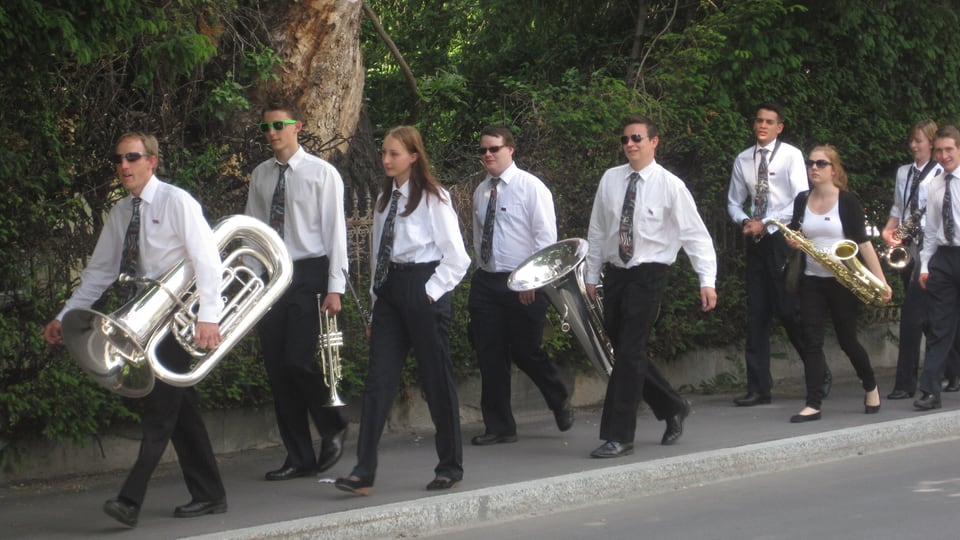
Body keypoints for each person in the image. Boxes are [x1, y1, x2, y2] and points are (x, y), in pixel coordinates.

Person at [43, 132, 227, 527]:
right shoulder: (122, 211)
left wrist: (209, 315)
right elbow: (99, 274)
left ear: (152, 161)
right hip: (140, 318)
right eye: (118, 159)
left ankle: (130, 498)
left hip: (177, 320)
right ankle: (210, 494)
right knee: (180, 410)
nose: (123, 165)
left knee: (162, 412)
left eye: (132, 157)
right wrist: (65, 314)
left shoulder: (177, 201)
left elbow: (208, 259)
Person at [335, 125, 470, 494]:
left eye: (393, 153)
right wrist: (378, 307)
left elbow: (457, 258)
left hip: (423, 285)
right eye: (383, 153)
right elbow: (380, 258)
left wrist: (429, 293)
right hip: (391, 291)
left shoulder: (433, 198)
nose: (385, 160)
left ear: (414, 156)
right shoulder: (383, 202)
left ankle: (450, 466)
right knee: (378, 381)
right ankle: (363, 472)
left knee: (436, 381)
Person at [584, 115, 717, 458]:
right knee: (627, 350)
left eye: (637, 138)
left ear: (654, 142)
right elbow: (598, 230)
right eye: (625, 139)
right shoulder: (610, 180)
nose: (630, 144)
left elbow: (696, 236)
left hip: (650, 273)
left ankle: (619, 435)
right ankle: (673, 406)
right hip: (616, 273)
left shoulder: (670, 185)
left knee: (628, 353)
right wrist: (591, 274)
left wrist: (707, 281)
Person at [245, 100, 349, 481]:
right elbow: (254, 233)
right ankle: (298, 457)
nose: (272, 134)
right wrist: (254, 281)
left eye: (279, 125)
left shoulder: (322, 174)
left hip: (309, 272)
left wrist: (335, 286)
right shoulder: (260, 175)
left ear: (297, 127)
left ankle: (333, 422)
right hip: (272, 275)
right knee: (277, 370)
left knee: (298, 361)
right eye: (266, 128)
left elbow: (335, 233)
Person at [468, 125, 573, 446]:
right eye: (483, 150)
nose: (488, 155)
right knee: (490, 353)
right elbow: (477, 234)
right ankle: (500, 426)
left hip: (523, 281)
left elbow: (545, 240)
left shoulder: (531, 188)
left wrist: (532, 280)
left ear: (510, 150)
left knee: (526, 351)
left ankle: (558, 397)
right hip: (487, 281)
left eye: (494, 149)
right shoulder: (481, 191)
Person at [726, 103, 830, 406]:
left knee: (788, 310)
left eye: (769, 122)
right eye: (759, 120)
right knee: (756, 313)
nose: (763, 126)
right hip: (756, 241)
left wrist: (768, 222)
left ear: (779, 127)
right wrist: (744, 220)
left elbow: (800, 199)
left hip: (781, 238)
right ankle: (759, 387)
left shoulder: (791, 155)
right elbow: (733, 201)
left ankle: (819, 372)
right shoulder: (743, 159)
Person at [785, 145, 891, 423]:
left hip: (843, 280)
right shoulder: (802, 199)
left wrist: (880, 280)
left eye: (821, 164)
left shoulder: (847, 201)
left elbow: (863, 243)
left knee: (847, 340)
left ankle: (870, 385)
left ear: (834, 169)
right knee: (811, 341)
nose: (814, 169)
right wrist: (792, 239)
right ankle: (813, 403)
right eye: (810, 164)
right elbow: (797, 232)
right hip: (811, 279)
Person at [881, 120, 948, 400]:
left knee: (912, 315)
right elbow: (899, 206)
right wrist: (889, 228)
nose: (913, 145)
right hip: (908, 247)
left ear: (931, 143)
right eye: (912, 140)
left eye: (919, 140)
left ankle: (905, 383)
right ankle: (949, 373)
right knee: (933, 317)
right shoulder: (903, 173)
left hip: (931, 248)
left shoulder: (944, 173)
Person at [916, 125, 960, 410]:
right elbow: (931, 231)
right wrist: (924, 265)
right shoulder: (934, 185)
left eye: (949, 150)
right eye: (939, 150)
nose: (944, 156)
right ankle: (930, 391)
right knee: (938, 327)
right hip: (943, 259)